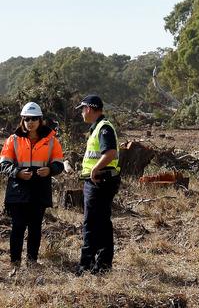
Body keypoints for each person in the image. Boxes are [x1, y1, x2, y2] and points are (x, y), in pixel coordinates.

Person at [0, 102, 64, 276]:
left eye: (34, 118)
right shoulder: (12, 140)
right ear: (23, 120)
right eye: (27, 119)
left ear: (40, 120)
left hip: (40, 190)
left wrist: (50, 170)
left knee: (35, 227)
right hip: (17, 190)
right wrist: (17, 173)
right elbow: (4, 164)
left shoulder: (52, 140)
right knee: (18, 227)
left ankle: (32, 262)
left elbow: (59, 164)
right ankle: (15, 263)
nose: (31, 122)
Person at [75, 95, 121, 276]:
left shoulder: (104, 128)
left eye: (82, 108)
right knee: (101, 223)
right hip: (98, 181)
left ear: (89, 108)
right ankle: (102, 266)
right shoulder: (98, 127)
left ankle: (86, 265)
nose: (81, 112)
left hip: (100, 181)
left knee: (92, 223)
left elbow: (109, 152)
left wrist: (95, 168)